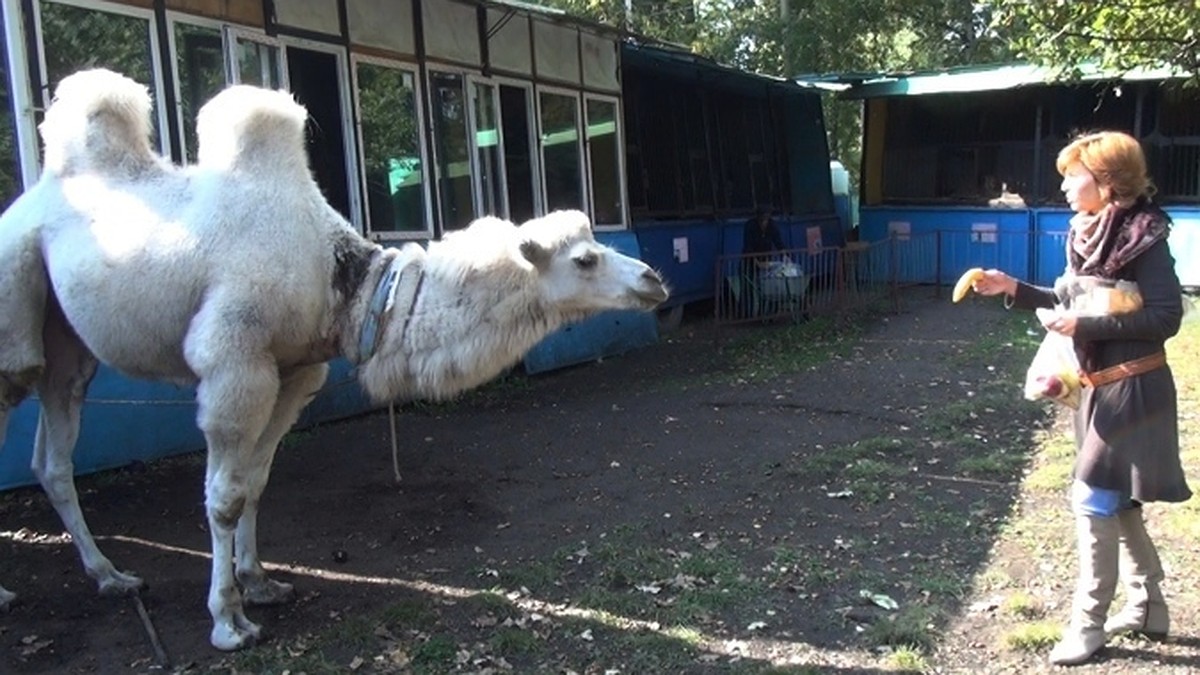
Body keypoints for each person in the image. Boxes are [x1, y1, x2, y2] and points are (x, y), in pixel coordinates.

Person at [972, 130, 1191, 666]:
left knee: (1091, 498)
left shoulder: (1145, 237)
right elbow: (1069, 301)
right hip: (1097, 389)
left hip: (1134, 388)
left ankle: (1088, 626)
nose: (1065, 185)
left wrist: (1083, 324)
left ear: (1108, 181)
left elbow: (1167, 317)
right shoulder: (1087, 233)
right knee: (1118, 501)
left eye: (1075, 175)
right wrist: (1013, 289)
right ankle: (1148, 606)